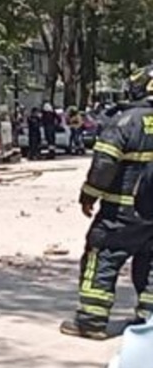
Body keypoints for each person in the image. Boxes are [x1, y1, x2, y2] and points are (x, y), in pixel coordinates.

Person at [61, 65, 153, 339]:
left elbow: (104, 164)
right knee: (151, 266)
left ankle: (91, 321)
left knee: (102, 258)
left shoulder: (125, 122)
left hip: (121, 213)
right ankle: (149, 322)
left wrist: (88, 194)